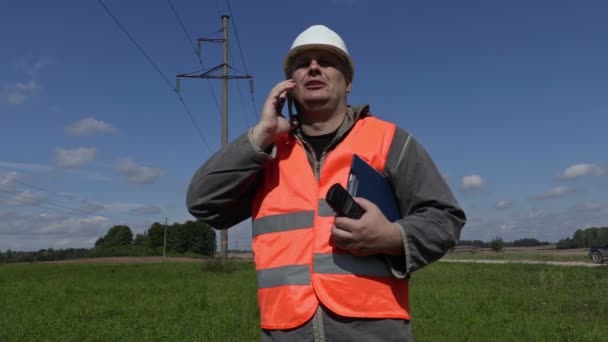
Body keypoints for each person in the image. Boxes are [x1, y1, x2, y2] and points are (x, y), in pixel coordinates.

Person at [187, 24, 466, 342]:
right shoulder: (268, 151)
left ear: (348, 82)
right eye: (303, 63)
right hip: (284, 331)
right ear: (290, 85)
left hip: (374, 333)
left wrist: (392, 236)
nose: (314, 67)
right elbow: (202, 203)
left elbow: (445, 218)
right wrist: (260, 135)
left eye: (326, 61)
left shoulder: (390, 141)